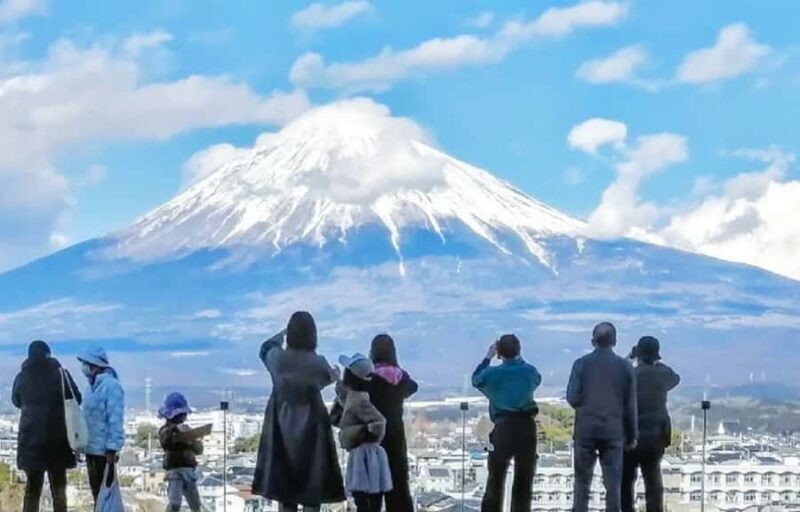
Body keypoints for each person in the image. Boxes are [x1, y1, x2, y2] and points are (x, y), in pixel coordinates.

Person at [252, 311, 346, 512]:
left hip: (281, 423)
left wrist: (282, 333)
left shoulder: (278, 360)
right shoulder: (318, 363)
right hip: (312, 426)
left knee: (285, 488)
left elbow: (265, 348)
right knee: (313, 480)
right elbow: (329, 377)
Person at [567, 322, 637, 512]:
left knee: (581, 485)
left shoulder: (580, 364)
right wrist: (631, 436)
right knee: (613, 487)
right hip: (613, 431)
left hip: (585, 430)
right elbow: (630, 405)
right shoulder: (625, 367)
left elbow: (572, 398)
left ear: (592, 341)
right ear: (615, 341)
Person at [472, 334, 542, 512]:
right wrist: (517, 357)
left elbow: (476, 379)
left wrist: (488, 357)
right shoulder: (529, 371)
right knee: (524, 479)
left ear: (499, 353)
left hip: (502, 427)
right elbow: (537, 379)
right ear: (519, 350)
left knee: (495, 477)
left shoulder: (493, 374)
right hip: (527, 426)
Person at [12, 340, 81, 512]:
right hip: (57, 438)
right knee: (58, 487)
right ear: (49, 355)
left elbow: (16, 400)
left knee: (33, 488)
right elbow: (76, 398)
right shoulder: (60, 375)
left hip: (30, 439)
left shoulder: (22, 377)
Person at [621, 337, 681, 512]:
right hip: (656, 435)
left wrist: (629, 357)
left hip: (631, 434)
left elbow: (618, 371)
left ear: (638, 353)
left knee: (626, 481)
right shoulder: (662, 375)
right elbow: (675, 377)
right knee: (653, 480)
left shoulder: (631, 374)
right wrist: (655, 362)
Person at [333, 353, 393, 512]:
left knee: (364, 496)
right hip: (367, 454)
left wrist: (357, 433)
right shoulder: (358, 396)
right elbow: (346, 400)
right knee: (370, 495)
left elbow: (379, 423)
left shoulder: (358, 399)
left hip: (365, 454)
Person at [365, 334, 418, 512]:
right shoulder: (401, 378)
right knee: (398, 487)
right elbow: (413, 386)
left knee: (371, 490)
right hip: (395, 436)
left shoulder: (367, 380)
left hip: (372, 436)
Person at [78, 347, 125, 504]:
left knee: (105, 497)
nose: (83, 367)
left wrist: (112, 449)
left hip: (104, 453)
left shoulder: (112, 387)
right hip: (90, 449)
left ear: (95, 365)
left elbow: (115, 419)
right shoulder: (90, 389)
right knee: (97, 495)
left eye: (86, 363)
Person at [158, 392, 204, 512]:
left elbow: (199, 450)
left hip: (189, 470)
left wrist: (192, 439)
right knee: (175, 503)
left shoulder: (187, 430)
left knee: (195, 504)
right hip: (174, 471)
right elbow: (164, 440)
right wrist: (175, 430)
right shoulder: (165, 431)